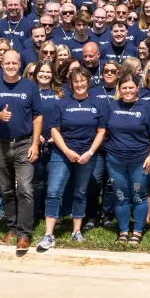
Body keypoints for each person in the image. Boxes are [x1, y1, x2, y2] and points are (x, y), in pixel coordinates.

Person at [42, 64, 109, 251]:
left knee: (80, 193)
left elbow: (101, 131)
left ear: (88, 82)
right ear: (70, 84)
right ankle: (48, 234)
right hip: (62, 153)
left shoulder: (98, 104)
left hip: (86, 155)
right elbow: (54, 130)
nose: (79, 84)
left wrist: (90, 153)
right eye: (75, 81)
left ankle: (76, 231)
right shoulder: (62, 103)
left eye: (82, 81)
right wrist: (66, 151)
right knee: (54, 191)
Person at [0, 49, 43, 253]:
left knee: (25, 188)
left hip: (24, 143)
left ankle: (24, 234)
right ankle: (12, 228)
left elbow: (37, 116)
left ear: (19, 64)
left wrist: (35, 143)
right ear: (1, 64)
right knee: (6, 189)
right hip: (0, 143)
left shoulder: (29, 86)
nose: (10, 66)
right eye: (7, 63)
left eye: (14, 63)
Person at [104, 74, 150, 246]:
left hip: (140, 160)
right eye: (124, 88)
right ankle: (123, 231)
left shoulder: (147, 107)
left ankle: (137, 230)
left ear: (137, 88)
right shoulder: (112, 106)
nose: (128, 91)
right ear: (119, 89)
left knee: (139, 195)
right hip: (115, 159)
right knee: (120, 195)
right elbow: (104, 130)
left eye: (131, 87)